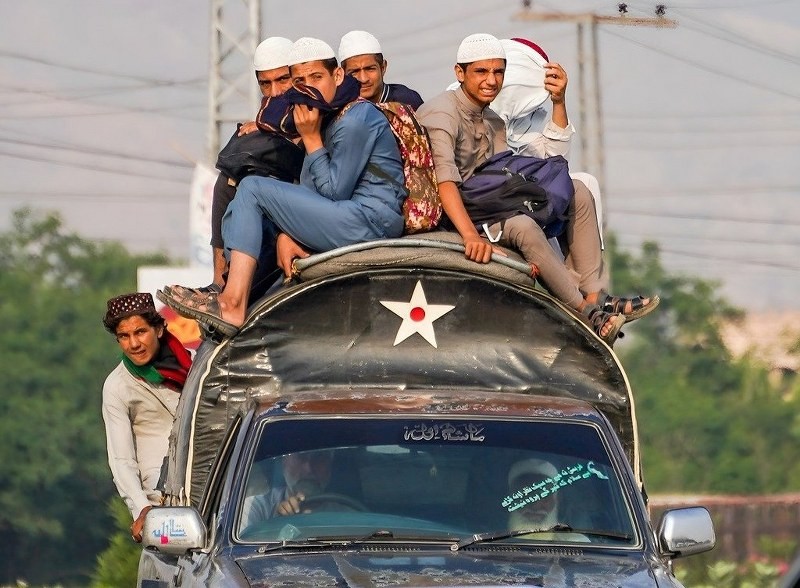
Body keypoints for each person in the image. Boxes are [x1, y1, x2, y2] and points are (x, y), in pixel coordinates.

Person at [416, 33, 658, 345]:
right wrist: (470, 237)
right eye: (481, 71)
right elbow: (444, 182)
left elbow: (519, 169)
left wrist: (558, 103)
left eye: (498, 72)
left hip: (490, 203)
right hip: (459, 215)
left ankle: (596, 296)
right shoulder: (441, 113)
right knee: (524, 226)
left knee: (577, 190)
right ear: (459, 73)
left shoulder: (492, 119)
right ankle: (587, 315)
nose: (491, 80)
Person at [159, 37, 407, 337]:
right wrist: (287, 234)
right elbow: (310, 190)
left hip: (370, 220)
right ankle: (224, 292)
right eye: (300, 81)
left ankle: (232, 303)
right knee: (243, 192)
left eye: (317, 77)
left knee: (254, 189)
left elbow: (334, 192)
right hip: (346, 216)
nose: (309, 87)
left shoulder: (357, 117)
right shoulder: (327, 115)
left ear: (338, 75)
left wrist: (311, 138)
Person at [208, 36, 300, 294]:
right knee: (229, 180)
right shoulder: (267, 116)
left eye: (283, 79)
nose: (275, 92)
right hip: (282, 201)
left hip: (316, 201)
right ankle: (220, 282)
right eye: (265, 83)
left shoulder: (315, 104)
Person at [101, 292, 192, 543]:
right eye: (124, 336)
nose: (133, 344)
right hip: (163, 501)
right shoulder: (117, 386)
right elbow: (122, 460)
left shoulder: (195, 366)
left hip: (214, 483)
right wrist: (142, 509)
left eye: (140, 332)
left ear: (159, 329)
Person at [241, 451, 335, 527]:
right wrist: (275, 524)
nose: (308, 468)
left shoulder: (342, 514)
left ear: (329, 466)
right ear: (284, 463)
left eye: (319, 458)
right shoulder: (256, 507)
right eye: (300, 457)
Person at [506, 458, 588, 541]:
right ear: (512, 500)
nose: (535, 506)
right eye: (526, 496)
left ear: (556, 500)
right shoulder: (497, 539)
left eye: (544, 495)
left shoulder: (576, 542)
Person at [338, 30, 424, 109]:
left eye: (370, 69)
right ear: (342, 75)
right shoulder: (338, 108)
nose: (363, 79)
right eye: (354, 72)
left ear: (383, 68)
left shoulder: (406, 100)